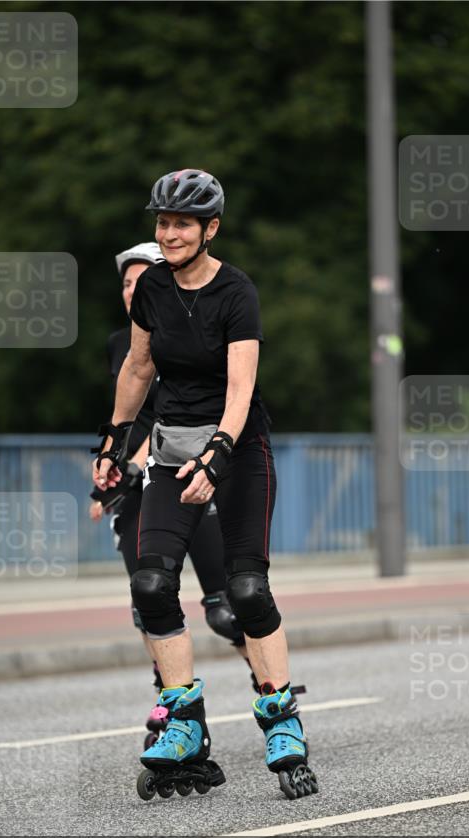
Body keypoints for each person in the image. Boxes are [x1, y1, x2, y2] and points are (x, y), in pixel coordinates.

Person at [93, 169, 318, 801]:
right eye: (161, 223)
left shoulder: (236, 291)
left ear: (209, 229)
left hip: (239, 451)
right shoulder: (152, 291)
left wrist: (218, 454)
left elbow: (242, 385)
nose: (167, 234)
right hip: (171, 450)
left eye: (181, 224)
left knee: (245, 588)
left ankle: (281, 718)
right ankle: (184, 722)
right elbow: (138, 367)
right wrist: (113, 442)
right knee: (151, 583)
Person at [89, 241, 249, 749]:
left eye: (142, 279)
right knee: (149, 596)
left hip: (182, 474)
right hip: (136, 491)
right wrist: (108, 473)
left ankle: (267, 680)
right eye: (126, 282)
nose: (133, 289)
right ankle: (173, 700)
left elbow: (171, 413)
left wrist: (138, 465)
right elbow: (125, 414)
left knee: (227, 608)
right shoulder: (122, 342)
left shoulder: (183, 335)